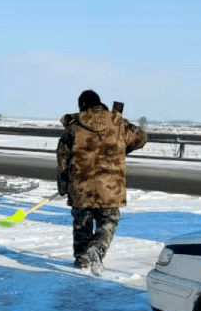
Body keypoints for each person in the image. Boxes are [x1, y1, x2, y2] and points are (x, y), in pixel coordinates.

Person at [56, 90, 147, 276]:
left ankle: (82, 263)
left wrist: (64, 186)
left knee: (82, 225)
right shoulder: (117, 123)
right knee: (108, 220)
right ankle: (97, 248)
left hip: (81, 186)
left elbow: (62, 160)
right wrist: (121, 146)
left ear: (82, 105)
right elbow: (142, 137)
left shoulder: (73, 127)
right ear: (99, 103)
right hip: (110, 187)